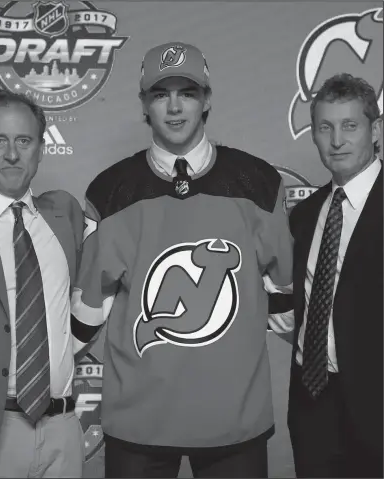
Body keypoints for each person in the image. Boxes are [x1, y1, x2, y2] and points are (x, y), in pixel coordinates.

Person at [71, 42, 293, 478]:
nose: (174, 107)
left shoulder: (259, 182)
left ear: (206, 99)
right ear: (144, 105)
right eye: (160, 94)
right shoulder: (110, 190)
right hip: (139, 423)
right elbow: (90, 307)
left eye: (187, 92)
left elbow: (283, 297)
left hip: (235, 420)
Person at [268, 73, 383, 478]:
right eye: (325, 127)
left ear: (376, 129)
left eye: (350, 126)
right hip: (312, 405)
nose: (337, 140)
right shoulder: (303, 215)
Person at [0, 89, 85, 478]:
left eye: (24, 141)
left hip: (63, 429)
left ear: (41, 149)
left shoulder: (63, 216)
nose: (11, 154)